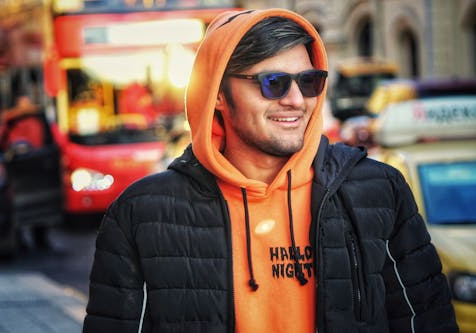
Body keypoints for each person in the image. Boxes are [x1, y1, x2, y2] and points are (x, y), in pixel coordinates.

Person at [83, 8, 458, 333]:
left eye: (309, 81)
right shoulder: (142, 212)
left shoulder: (378, 190)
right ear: (217, 92)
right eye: (273, 83)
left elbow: (425, 318)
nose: (296, 100)